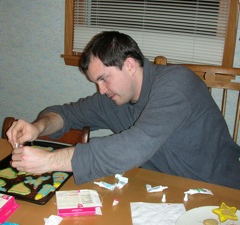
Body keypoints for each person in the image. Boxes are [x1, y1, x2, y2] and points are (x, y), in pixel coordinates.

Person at [7, 31, 240, 189]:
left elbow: (134, 146)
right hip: (164, 190)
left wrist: (51, 161)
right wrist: (38, 126)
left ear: (129, 65)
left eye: (104, 79)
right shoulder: (114, 99)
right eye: (96, 82)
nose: (101, 90)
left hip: (221, 191)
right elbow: (67, 114)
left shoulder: (177, 84)